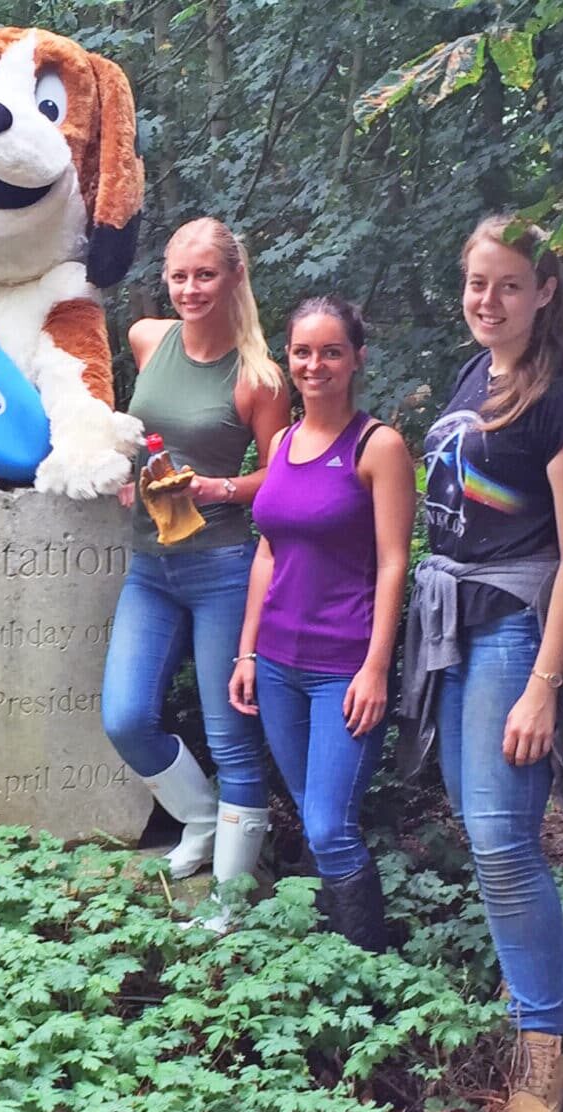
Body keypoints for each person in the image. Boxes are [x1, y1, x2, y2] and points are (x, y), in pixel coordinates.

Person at [393, 214, 563, 1112]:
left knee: (501, 837)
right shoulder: (473, 375)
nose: (488, 300)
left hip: (518, 627)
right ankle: (530, 995)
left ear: (544, 291)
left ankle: (542, 1041)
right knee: (481, 827)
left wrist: (546, 684)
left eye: (510, 284)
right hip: (454, 621)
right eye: (478, 282)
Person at [100, 217, 289, 897]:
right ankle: (204, 822)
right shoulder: (148, 339)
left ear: (235, 276)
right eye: (178, 276)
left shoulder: (260, 376)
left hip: (222, 567)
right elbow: (140, 432)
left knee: (231, 735)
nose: (189, 289)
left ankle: (232, 900)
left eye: (205, 275)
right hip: (150, 565)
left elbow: (281, 475)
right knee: (125, 717)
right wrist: (126, 473)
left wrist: (220, 488)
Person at [226, 297, 413, 948]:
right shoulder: (281, 442)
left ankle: (369, 967)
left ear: (357, 358)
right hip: (277, 665)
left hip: (344, 668)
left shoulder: (378, 446)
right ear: (288, 359)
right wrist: (247, 653)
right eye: (303, 352)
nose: (315, 365)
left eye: (331, 352)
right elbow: (268, 552)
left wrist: (376, 668)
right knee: (312, 817)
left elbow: (393, 563)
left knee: (331, 827)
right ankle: (329, 960)